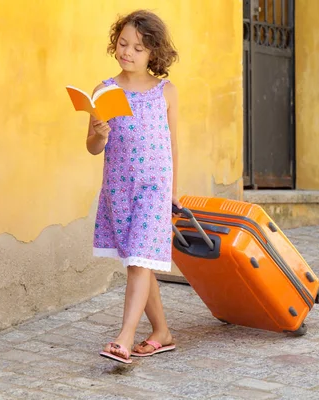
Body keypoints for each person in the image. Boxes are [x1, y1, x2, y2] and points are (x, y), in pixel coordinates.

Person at [86, 9, 181, 364]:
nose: (128, 52)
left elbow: (173, 146)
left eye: (138, 48)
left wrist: (174, 191)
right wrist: (98, 132)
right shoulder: (104, 90)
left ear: (154, 52)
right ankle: (162, 333)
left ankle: (124, 338)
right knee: (137, 261)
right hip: (119, 189)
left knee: (140, 261)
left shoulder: (165, 91)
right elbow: (93, 148)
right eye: (123, 44)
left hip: (154, 189)